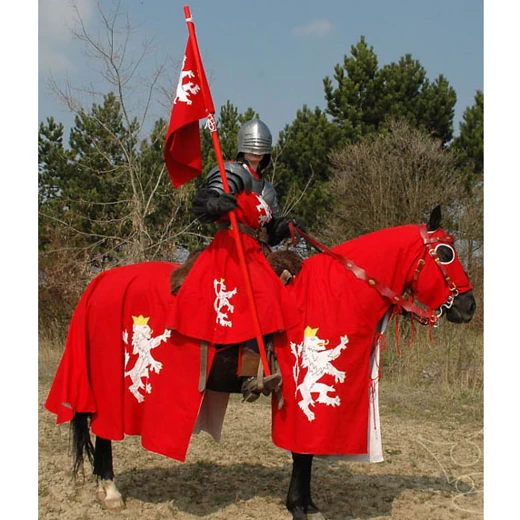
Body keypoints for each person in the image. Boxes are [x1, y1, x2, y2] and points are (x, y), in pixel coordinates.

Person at [168, 119, 303, 402]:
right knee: (263, 294)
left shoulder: (267, 189)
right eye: (252, 149)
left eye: (261, 150)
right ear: (243, 148)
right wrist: (215, 203)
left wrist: (286, 227)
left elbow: (270, 229)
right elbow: (205, 200)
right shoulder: (231, 171)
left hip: (258, 250)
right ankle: (251, 372)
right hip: (231, 246)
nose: (256, 154)